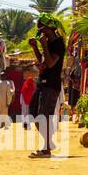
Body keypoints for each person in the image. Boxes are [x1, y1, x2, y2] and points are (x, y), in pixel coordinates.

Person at [28, 15, 66, 158]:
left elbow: (50, 64)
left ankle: (47, 149)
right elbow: (43, 60)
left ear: (50, 28)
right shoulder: (49, 42)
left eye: (42, 29)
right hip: (42, 84)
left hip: (51, 85)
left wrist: (43, 45)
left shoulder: (58, 44)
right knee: (34, 115)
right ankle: (48, 144)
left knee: (43, 116)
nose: (41, 33)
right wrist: (35, 47)